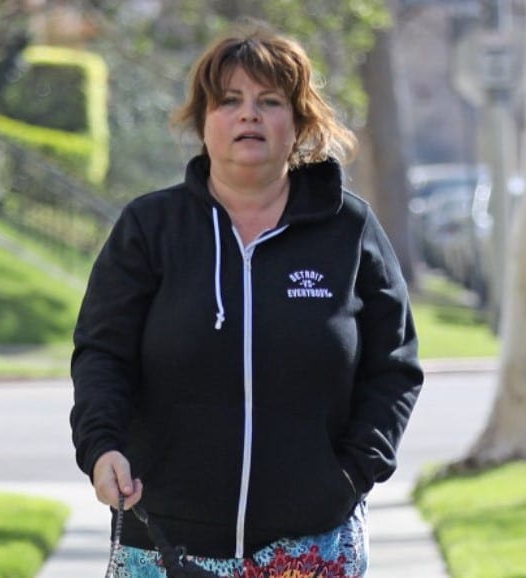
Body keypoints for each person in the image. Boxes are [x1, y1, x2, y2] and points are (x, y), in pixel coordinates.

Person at [70, 22, 424, 578]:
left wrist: (352, 474)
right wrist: (101, 447)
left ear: (299, 122)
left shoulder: (349, 229)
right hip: (162, 542)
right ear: (203, 121)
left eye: (270, 101)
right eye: (229, 100)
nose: (248, 115)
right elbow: (102, 355)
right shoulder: (150, 227)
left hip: (312, 545)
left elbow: (394, 366)